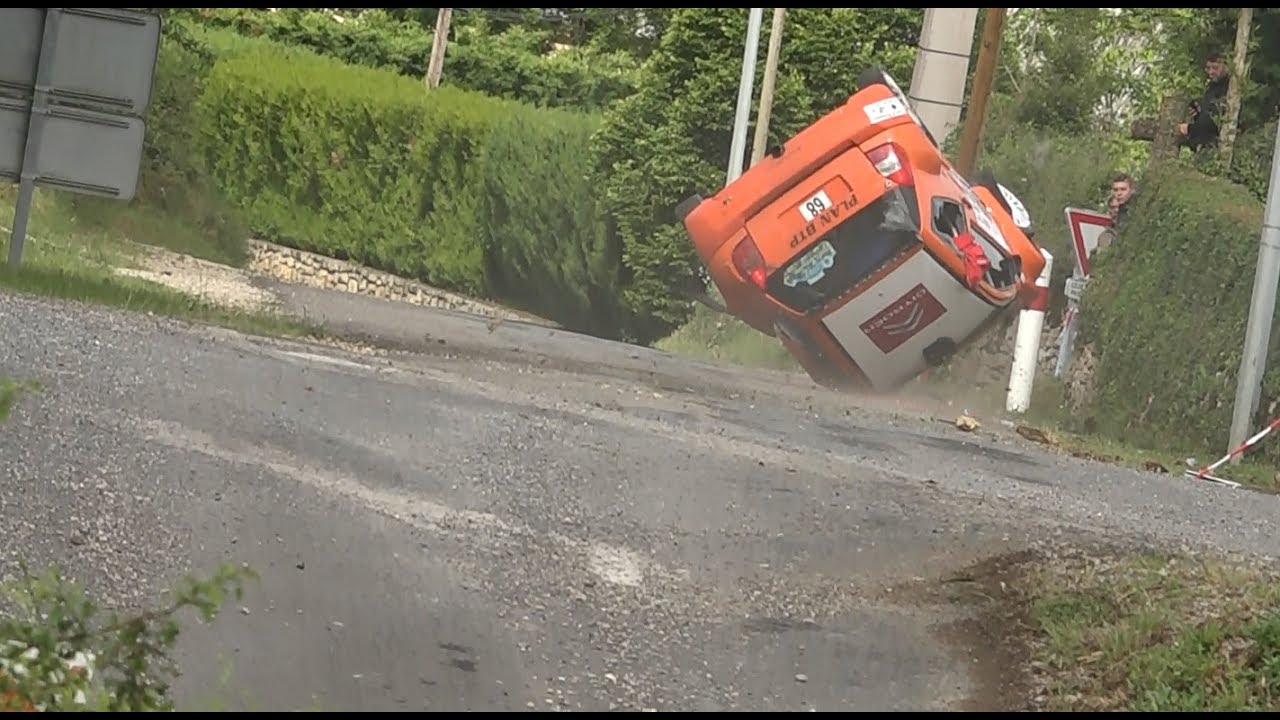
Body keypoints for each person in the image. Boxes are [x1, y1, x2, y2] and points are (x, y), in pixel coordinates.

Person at [1177, 52, 1230, 152]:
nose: (1211, 72)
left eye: (1215, 68)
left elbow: (1215, 120)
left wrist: (1190, 128)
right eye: (1208, 68)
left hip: (1215, 145)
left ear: (1226, 66)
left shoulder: (1228, 89)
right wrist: (1197, 114)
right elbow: (1208, 115)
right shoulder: (1212, 87)